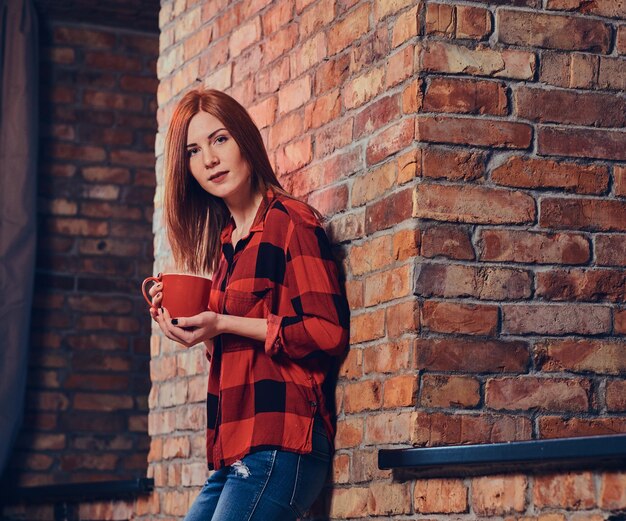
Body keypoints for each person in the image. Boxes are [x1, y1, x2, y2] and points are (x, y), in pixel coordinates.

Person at [147, 88, 350, 521]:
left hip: (282, 445)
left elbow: (327, 331)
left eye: (220, 139)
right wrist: (196, 331)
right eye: (193, 151)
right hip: (232, 454)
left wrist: (223, 321)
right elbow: (239, 356)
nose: (209, 160)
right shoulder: (227, 246)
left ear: (244, 139)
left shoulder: (292, 223)